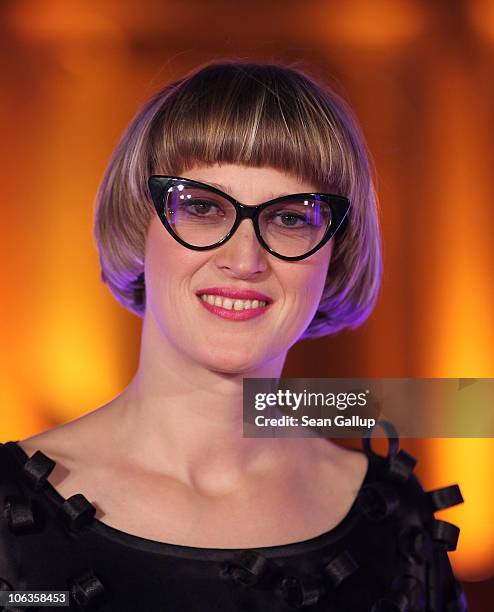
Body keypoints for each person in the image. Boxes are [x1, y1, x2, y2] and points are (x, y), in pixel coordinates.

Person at [0, 59, 467, 611]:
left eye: (291, 218)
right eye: (202, 207)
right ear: (137, 221)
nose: (245, 259)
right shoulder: (9, 513)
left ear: (335, 254)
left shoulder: (395, 521)